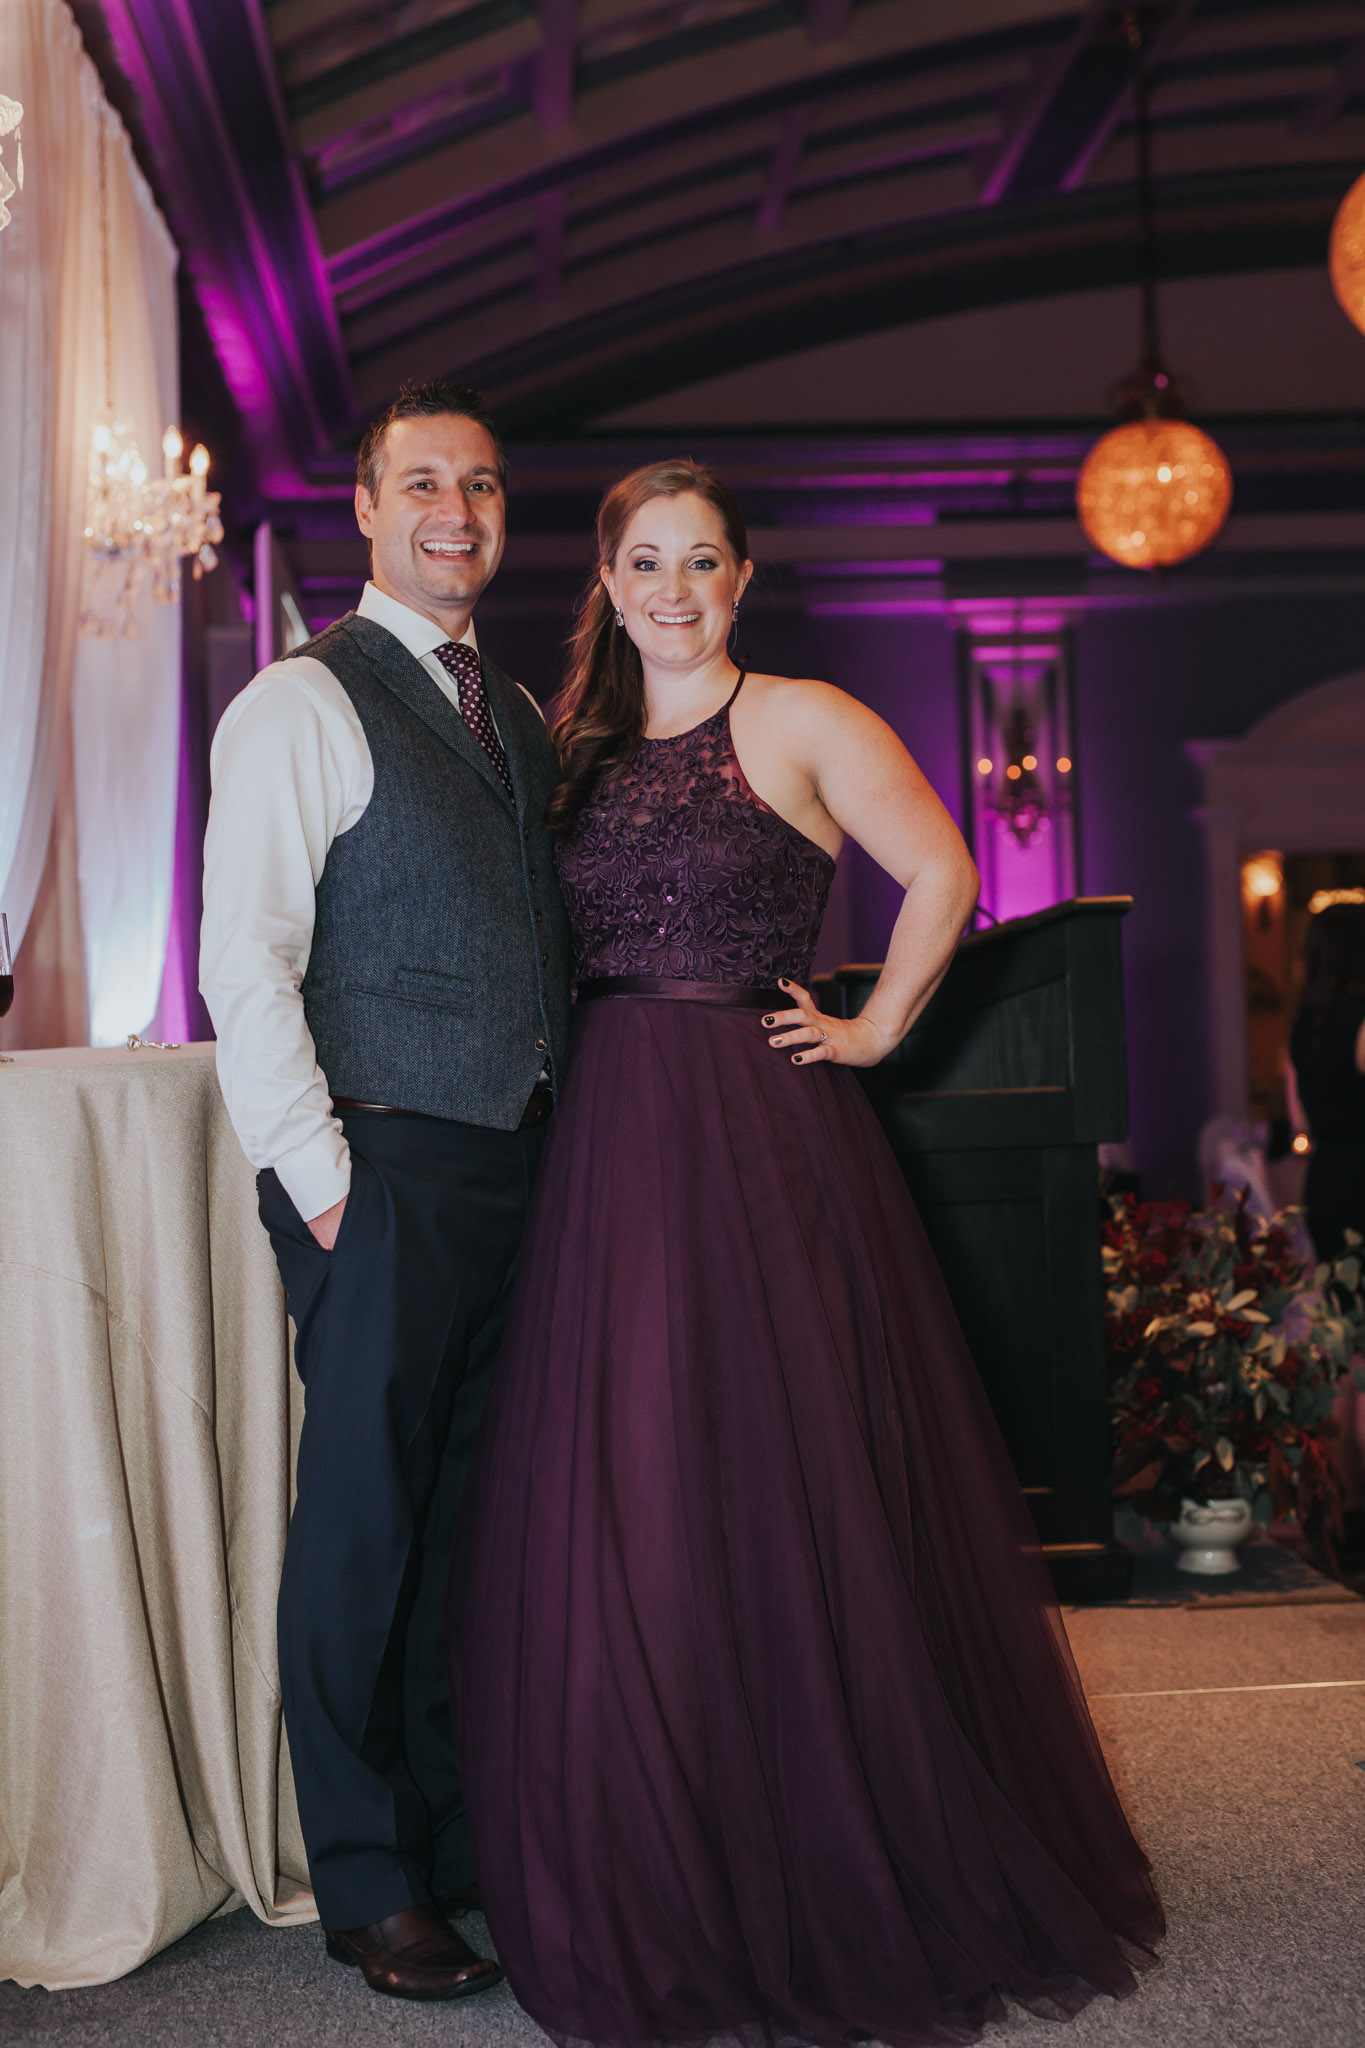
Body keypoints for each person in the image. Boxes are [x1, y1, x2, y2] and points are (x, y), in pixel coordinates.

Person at [450, 459, 1164, 2048]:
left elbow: (949, 875)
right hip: (606, 1146)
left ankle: (820, 1823)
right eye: (647, 561)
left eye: (702, 560)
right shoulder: (564, 748)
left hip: (758, 1132)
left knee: (783, 1468)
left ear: (743, 577)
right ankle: (659, 1830)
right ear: (610, 579)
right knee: (633, 1480)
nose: (674, 588)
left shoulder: (804, 718)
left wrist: (871, 1028)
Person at [200, 380, 572, 2002]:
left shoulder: (524, 715)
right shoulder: (301, 700)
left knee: (466, 1519)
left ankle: (444, 1827)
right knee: (360, 1524)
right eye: (423, 482)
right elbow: (246, 959)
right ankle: (363, 1874)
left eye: (481, 486)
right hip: (384, 1163)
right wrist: (328, 1183)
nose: (457, 512)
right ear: (364, 507)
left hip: (517, 1161)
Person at [1287, 900, 1365, 1262]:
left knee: (1342, 1311)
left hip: (1324, 1186)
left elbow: (1301, 1123)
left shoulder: (1304, 1026)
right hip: (1359, 1188)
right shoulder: (1360, 1024)